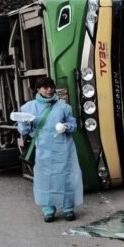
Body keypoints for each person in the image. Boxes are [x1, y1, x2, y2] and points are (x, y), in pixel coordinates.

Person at [18, 77, 83, 222]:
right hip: (43, 149)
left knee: (65, 177)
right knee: (45, 179)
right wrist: (26, 124)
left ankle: (68, 209)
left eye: (51, 87)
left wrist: (66, 127)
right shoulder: (28, 108)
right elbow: (23, 131)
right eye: (44, 87)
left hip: (64, 149)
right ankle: (48, 210)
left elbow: (73, 125)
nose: (49, 90)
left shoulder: (64, 107)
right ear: (37, 89)